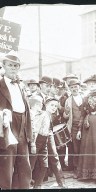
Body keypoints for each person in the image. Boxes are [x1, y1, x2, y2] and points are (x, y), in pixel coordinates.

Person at [0, 50, 32, 189]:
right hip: (8, 125)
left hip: (23, 125)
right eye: (10, 65)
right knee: (7, 164)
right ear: (4, 66)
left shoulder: (21, 85)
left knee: (24, 164)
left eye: (16, 65)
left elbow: (27, 109)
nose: (13, 68)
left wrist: (29, 131)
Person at [63, 79, 83, 179]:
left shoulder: (85, 97)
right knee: (76, 149)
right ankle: (76, 170)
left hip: (85, 126)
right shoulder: (68, 100)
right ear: (69, 89)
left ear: (79, 87)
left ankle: (85, 169)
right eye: (72, 87)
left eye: (76, 87)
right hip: (74, 127)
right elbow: (66, 117)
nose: (74, 89)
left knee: (86, 148)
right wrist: (66, 112)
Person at [28, 95, 49, 189]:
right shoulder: (30, 114)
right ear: (35, 104)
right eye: (39, 104)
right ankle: (27, 184)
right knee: (31, 165)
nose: (41, 105)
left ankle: (38, 185)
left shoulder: (44, 113)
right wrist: (32, 143)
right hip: (35, 141)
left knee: (44, 165)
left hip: (44, 140)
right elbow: (32, 129)